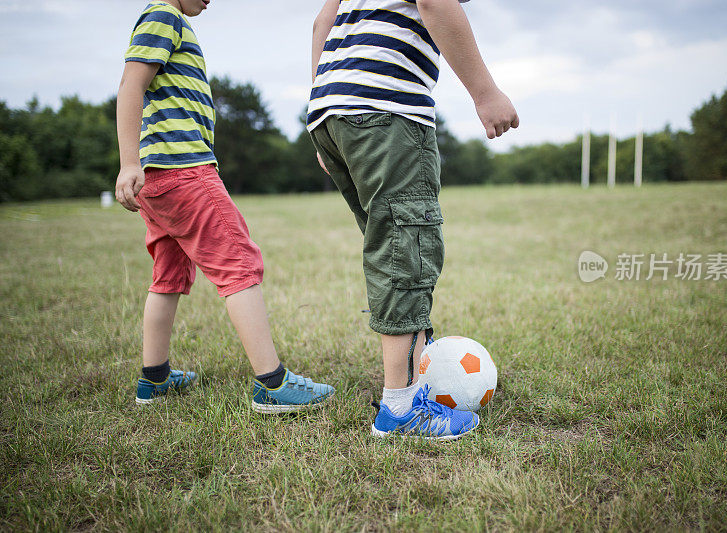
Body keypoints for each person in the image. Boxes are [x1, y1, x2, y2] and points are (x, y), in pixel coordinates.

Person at [308, 0, 518, 439]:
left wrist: (323, 106)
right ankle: (400, 409)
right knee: (406, 254)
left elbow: (322, 22)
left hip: (333, 108)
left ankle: (412, 387)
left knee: (390, 245)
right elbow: (435, 3)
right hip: (386, 110)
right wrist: (485, 92)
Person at [116, 0, 334, 412]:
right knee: (238, 262)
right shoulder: (163, 15)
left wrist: (139, 165)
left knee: (169, 273)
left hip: (159, 177)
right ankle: (272, 383)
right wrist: (128, 162)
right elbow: (131, 84)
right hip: (183, 170)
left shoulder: (171, 21)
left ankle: (155, 378)